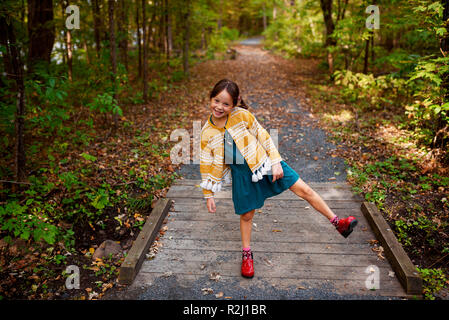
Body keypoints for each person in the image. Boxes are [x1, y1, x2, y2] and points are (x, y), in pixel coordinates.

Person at [199, 79, 358, 278]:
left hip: (265, 164)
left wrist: (275, 162)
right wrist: (209, 193)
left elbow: (264, 136)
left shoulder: (242, 116)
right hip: (243, 176)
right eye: (216, 101)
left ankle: (338, 223)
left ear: (234, 105)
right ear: (210, 98)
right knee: (247, 215)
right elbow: (206, 163)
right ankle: (247, 255)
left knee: (305, 190)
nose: (219, 107)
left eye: (226, 104)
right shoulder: (206, 131)